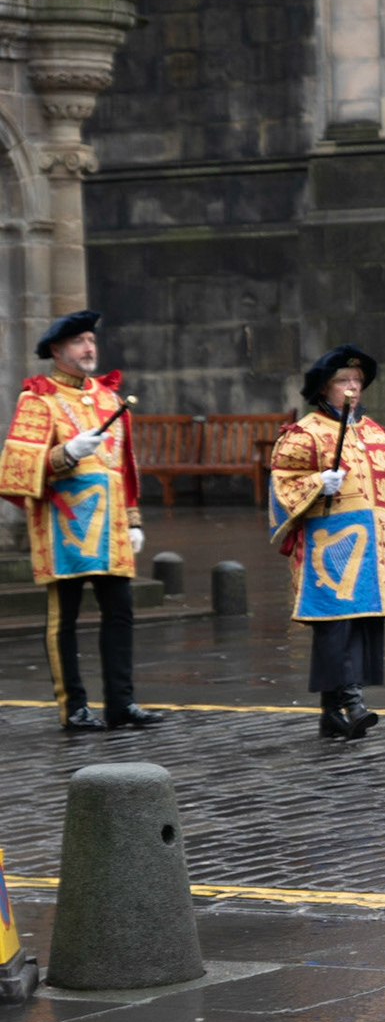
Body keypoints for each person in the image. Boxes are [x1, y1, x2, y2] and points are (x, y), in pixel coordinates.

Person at [0, 311, 164, 731]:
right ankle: (73, 706)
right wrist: (66, 453)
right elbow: (15, 469)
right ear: (56, 351)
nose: (89, 348)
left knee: (120, 613)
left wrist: (134, 519)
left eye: (91, 339)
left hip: (111, 528)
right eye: (79, 342)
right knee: (65, 618)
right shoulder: (38, 399)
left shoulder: (110, 399)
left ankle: (121, 703)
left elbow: (123, 467)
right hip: (63, 526)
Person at [269, 346, 385, 740]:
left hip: (372, 549)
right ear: (324, 388)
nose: (352, 389)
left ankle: (332, 714)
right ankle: (353, 702)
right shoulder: (305, 434)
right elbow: (281, 484)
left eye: (356, 382)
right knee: (335, 624)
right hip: (328, 547)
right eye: (343, 381)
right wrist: (316, 483)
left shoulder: (377, 434)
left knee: (359, 625)